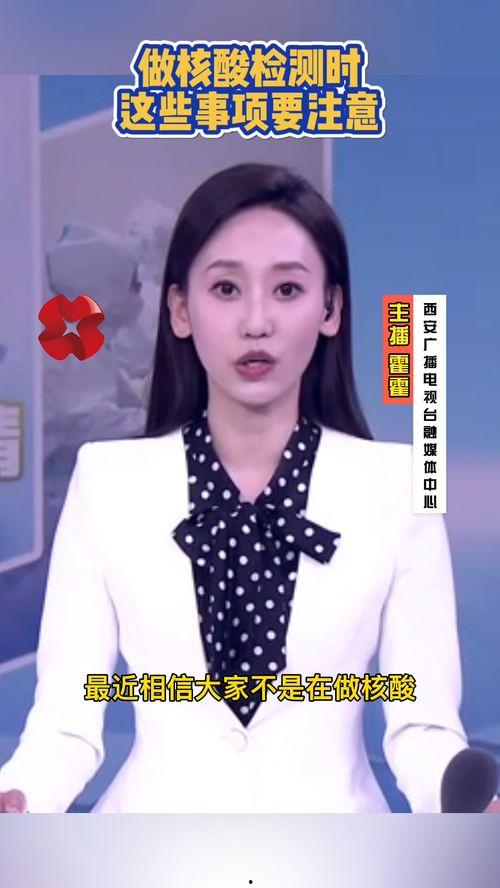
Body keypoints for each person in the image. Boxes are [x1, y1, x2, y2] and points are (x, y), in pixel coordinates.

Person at [0, 162, 494, 814]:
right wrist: (19, 796)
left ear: (331, 308)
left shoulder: (399, 490)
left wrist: (469, 806)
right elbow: (66, 723)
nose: (256, 322)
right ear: (180, 309)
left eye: (287, 289)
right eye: (226, 288)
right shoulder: (107, 484)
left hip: (338, 853)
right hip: (146, 851)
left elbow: (421, 727)